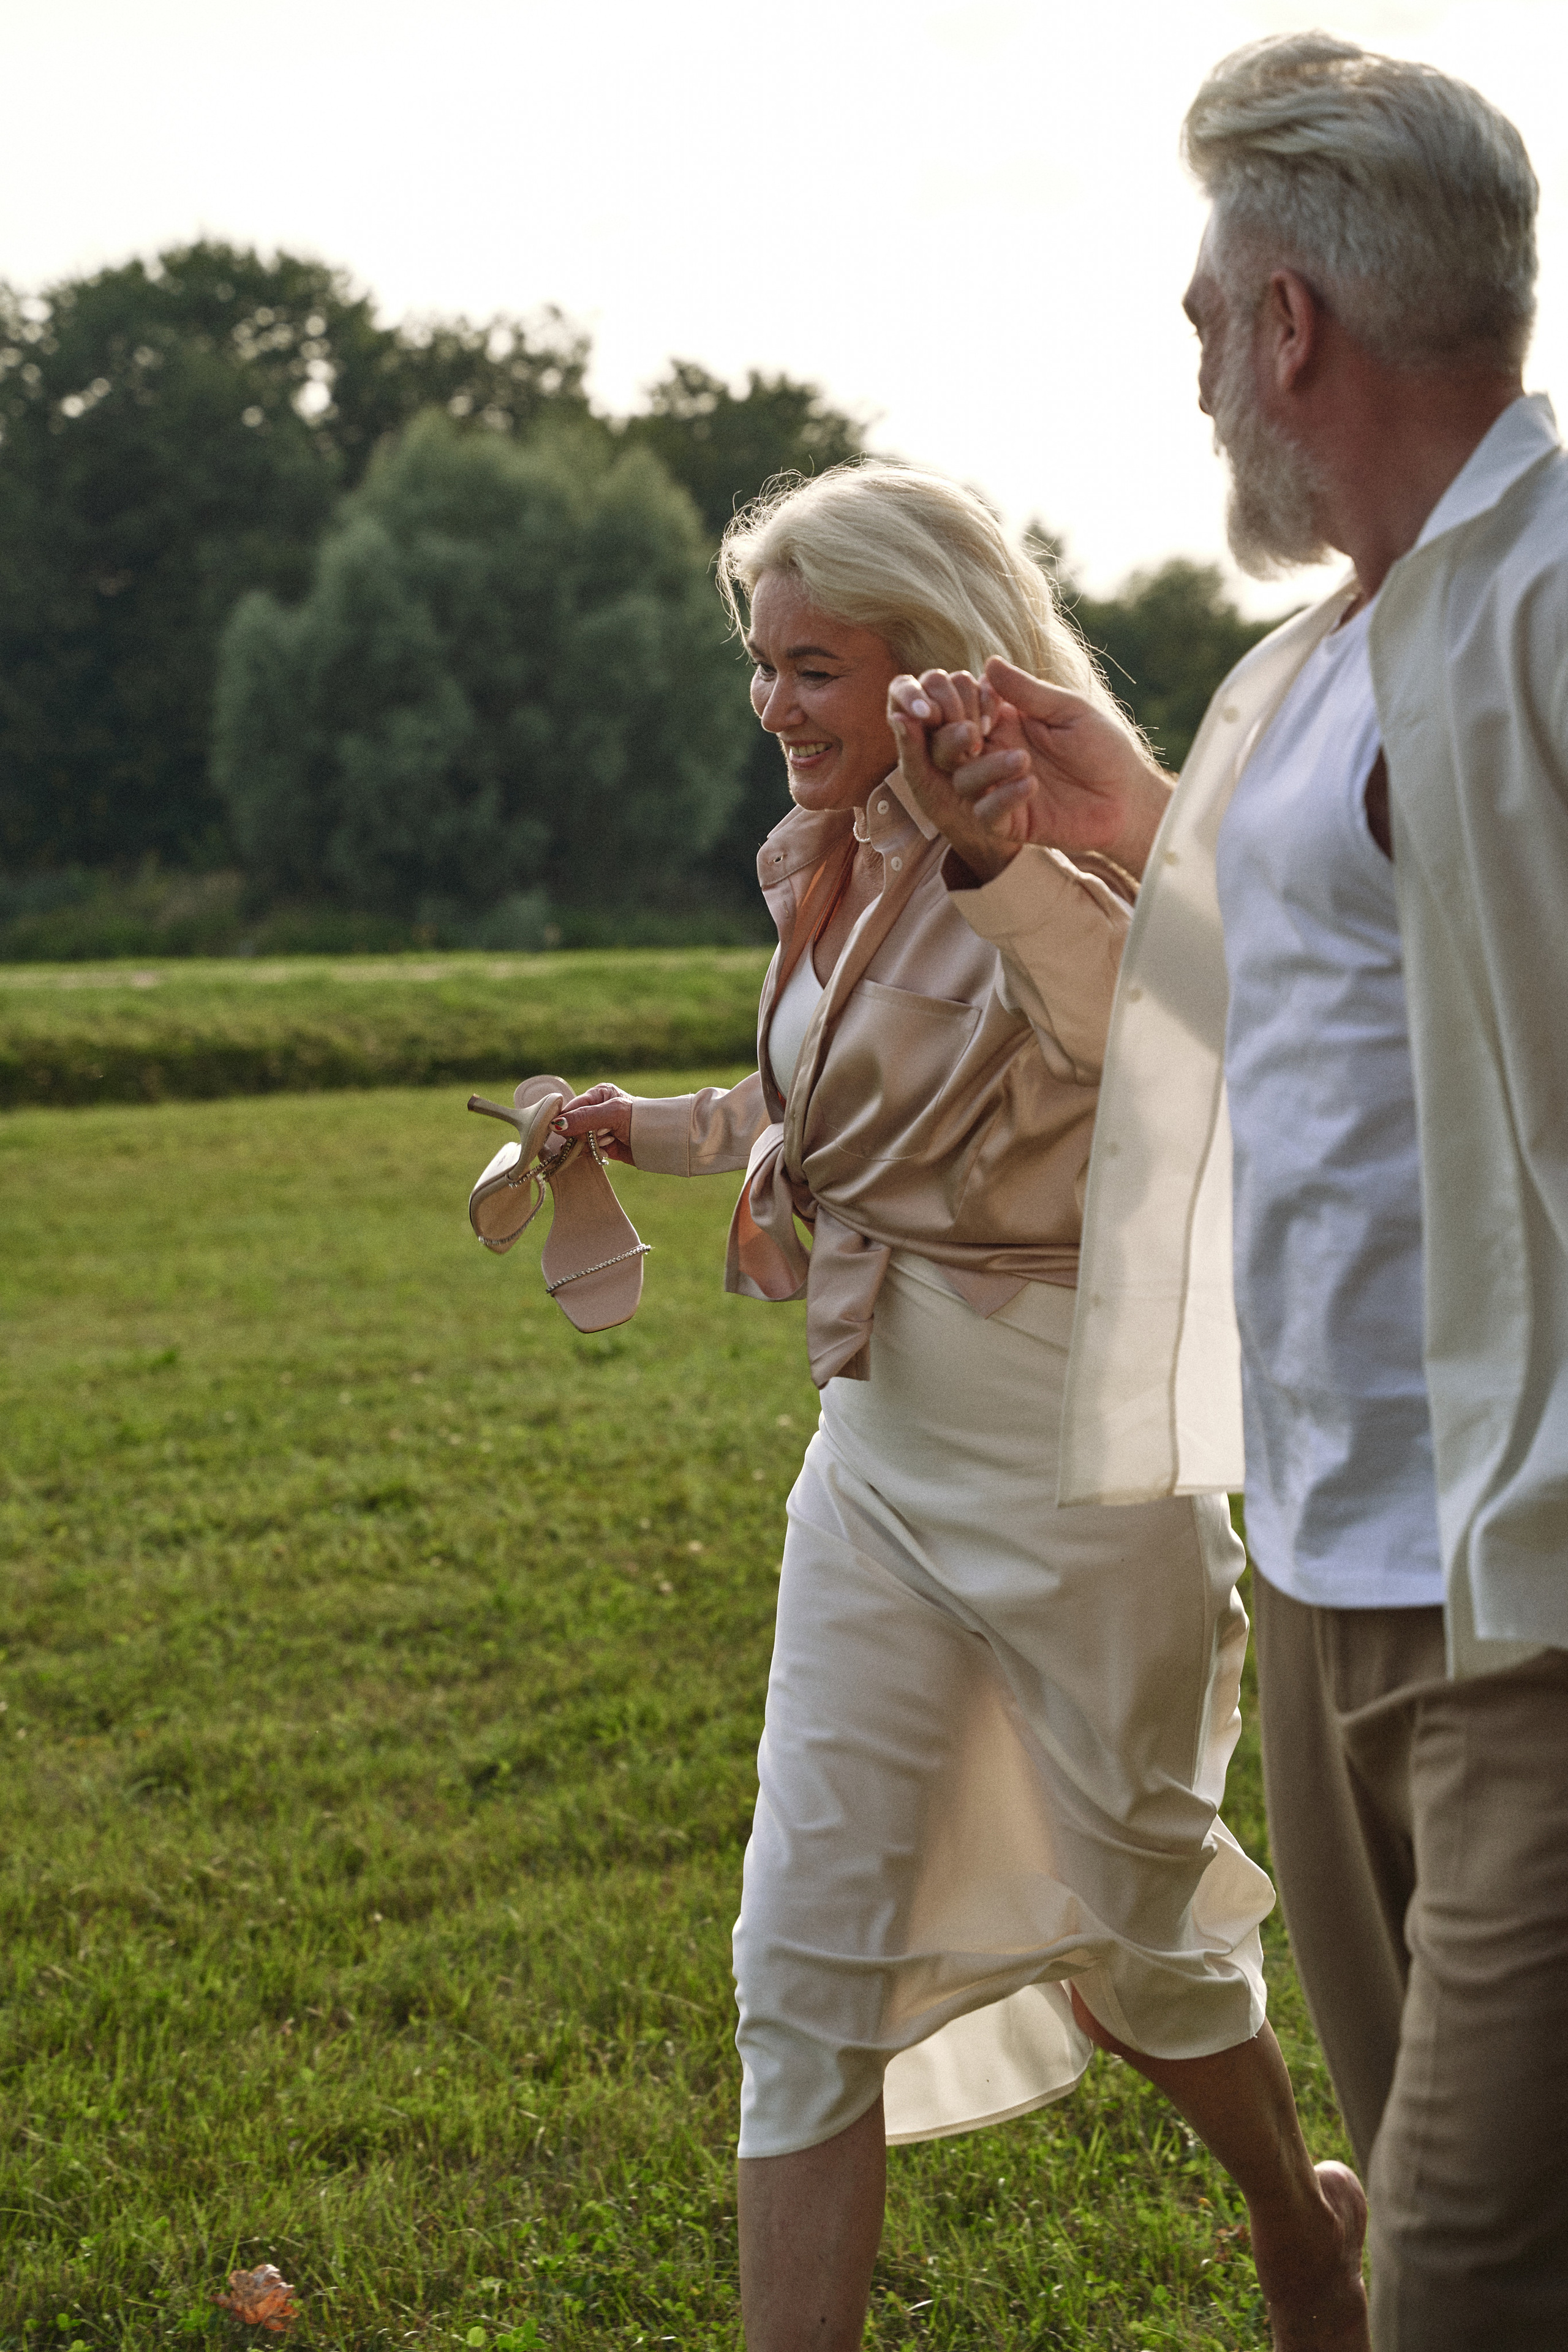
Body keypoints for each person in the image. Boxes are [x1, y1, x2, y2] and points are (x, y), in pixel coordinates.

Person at [890, 34, 1568, 2351]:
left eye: (1205, 321)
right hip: (1336, 1566)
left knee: (1469, 2282)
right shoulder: (1331, 661)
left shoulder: (1552, 610)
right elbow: (1352, 1003)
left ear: (1294, 325)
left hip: (1534, 1604)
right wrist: (1135, 806)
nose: (1191, 377)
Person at [551, 460, 1370, 2352]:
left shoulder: (1054, 846)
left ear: (937, 658)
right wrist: (631, 1126)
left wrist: (999, 858)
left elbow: (1133, 1029)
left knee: (1150, 1955)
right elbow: (804, 1121)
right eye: (764, 665)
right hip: (877, 1470)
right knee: (799, 1965)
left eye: (816, 668)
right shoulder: (819, 863)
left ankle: (1298, 2222)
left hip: (1079, 1486)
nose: (777, 707)